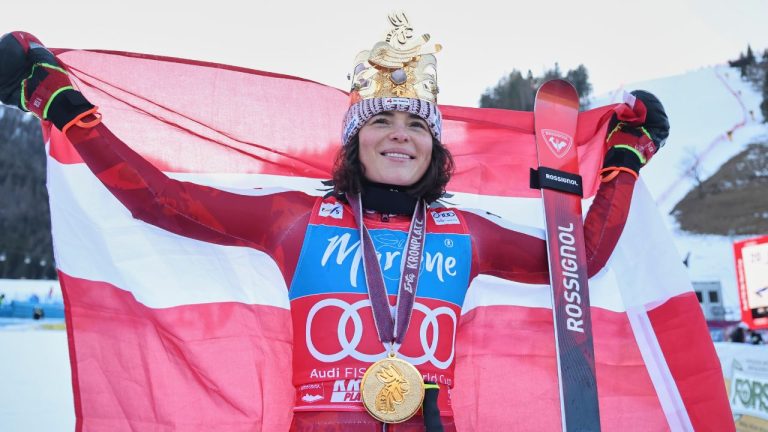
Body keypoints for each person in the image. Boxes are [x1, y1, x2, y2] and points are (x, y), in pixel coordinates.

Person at [0, 13, 669, 432]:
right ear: (355, 140)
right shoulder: (294, 219)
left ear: (436, 145)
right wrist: (60, 103)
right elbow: (157, 200)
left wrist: (623, 162)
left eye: (416, 124)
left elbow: (578, 261)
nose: (399, 136)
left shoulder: (467, 233)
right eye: (381, 119)